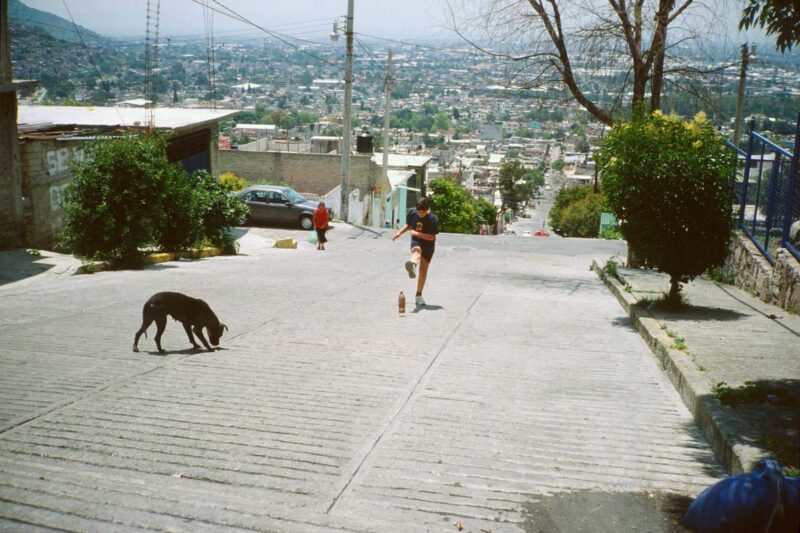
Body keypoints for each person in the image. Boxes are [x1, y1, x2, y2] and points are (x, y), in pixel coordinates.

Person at [392, 196, 439, 307]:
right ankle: (412, 264)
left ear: (427, 210)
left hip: (428, 244)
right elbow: (409, 225)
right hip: (417, 240)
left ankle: (418, 295)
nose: (420, 214)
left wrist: (417, 233)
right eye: (419, 212)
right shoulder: (413, 213)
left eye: (423, 212)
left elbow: (432, 237)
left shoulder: (432, 219)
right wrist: (399, 233)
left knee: (423, 270)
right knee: (416, 252)